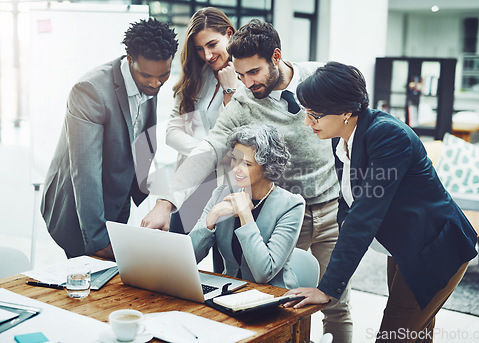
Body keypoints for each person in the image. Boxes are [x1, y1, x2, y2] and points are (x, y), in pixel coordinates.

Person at [143, 20, 353, 341]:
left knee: (336, 305)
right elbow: (210, 149)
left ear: (276, 56)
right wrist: (165, 203)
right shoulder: (243, 100)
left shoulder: (318, 77)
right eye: (240, 75)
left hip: (330, 211)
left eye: (253, 72)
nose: (247, 82)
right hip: (282, 215)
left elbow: (355, 108)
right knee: (283, 307)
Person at [284, 61, 478, 342]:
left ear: (346, 111)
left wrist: (328, 288)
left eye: (314, 115)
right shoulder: (343, 137)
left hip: (435, 249)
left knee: (393, 335)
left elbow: (365, 213)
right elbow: (348, 206)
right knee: (416, 334)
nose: (307, 123)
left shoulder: (388, 136)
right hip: (402, 246)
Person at [40, 18, 178, 259]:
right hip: (78, 212)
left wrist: (153, 195)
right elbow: (85, 173)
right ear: (129, 58)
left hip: (117, 200)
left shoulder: (150, 80)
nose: (156, 83)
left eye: (163, 76)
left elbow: (141, 139)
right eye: (147, 76)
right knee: (87, 285)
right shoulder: (90, 91)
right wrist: (98, 242)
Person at [189, 124, 305, 288]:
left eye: (247, 164)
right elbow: (189, 259)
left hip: (273, 298)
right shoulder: (222, 193)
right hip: (227, 293)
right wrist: (212, 216)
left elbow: (264, 273)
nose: (236, 169)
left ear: (268, 167)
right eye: (234, 159)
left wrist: (245, 214)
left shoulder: (291, 206)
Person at [166, 7, 238, 233]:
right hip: (192, 183)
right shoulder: (196, 77)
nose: (207, 55)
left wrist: (230, 91)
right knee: (176, 256)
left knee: (224, 260)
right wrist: (209, 153)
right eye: (199, 49)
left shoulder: (246, 78)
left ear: (229, 34)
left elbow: (235, 138)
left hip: (228, 187)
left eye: (212, 44)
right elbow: (171, 133)